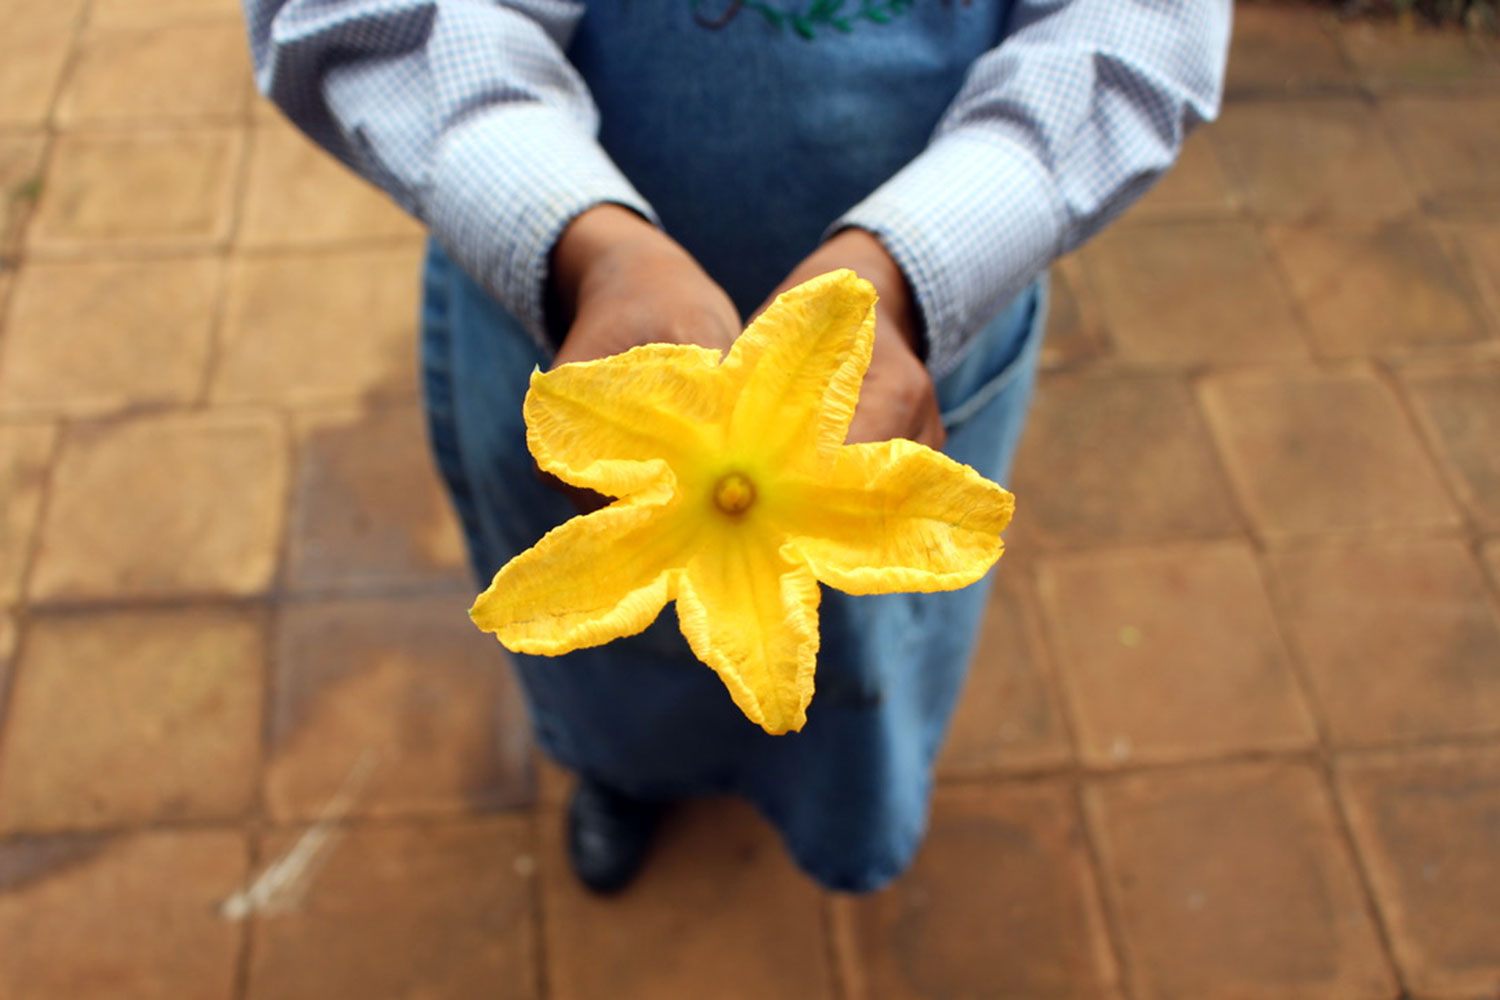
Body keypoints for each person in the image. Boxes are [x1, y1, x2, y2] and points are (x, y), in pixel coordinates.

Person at [243, 0, 1230, 894]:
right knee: (608, 659)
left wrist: (915, 265)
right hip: (573, 309)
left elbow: (1136, 30)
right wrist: (588, 243)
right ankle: (622, 771)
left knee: (849, 663)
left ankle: (815, 805)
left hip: (902, 344)